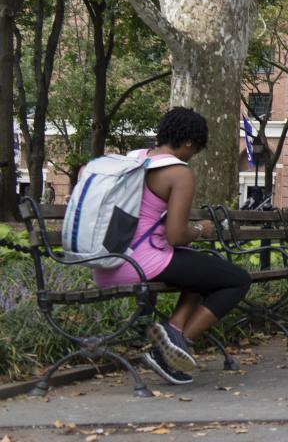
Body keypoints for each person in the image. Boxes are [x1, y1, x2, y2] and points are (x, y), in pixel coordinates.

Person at [92, 107, 251, 386]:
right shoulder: (178, 172)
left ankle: (173, 330)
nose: (192, 156)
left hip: (108, 262)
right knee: (237, 279)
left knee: (202, 267)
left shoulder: (135, 159)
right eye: (196, 149)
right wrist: (201, 229)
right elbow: (176, 236)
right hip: (139, 263)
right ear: (189, 142)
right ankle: (173, 347)